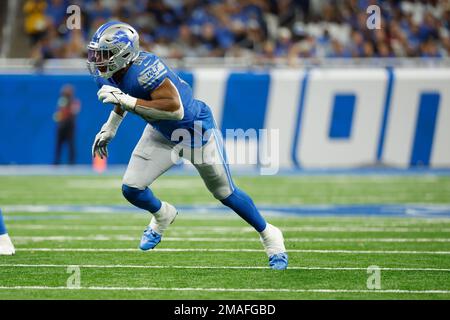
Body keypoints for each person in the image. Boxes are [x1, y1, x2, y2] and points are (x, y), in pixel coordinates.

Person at [88, 21, 288, 270]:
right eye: (96, 52)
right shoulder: (112, 72)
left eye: (104, 54)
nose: (97, 59)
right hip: (160, 131)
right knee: (132, 188)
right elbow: (124, 93)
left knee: (226, 193)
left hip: (193, 131)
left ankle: (271, 236)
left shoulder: (146, 70)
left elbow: (174, 109)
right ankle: (162, 215)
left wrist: (126, 101)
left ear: (124, 53)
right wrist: (111, 127)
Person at [53, 84, 81, 165]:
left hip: (70, 126)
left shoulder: (74, 102)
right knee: (59, 145)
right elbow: (58, 113)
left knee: (71, 145)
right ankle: (56, 162)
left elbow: (74, 112)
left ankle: (71, 163)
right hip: (61, 126)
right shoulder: (62, 101)